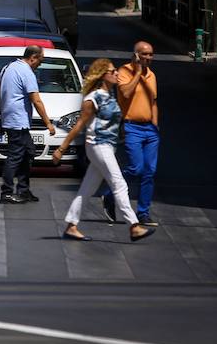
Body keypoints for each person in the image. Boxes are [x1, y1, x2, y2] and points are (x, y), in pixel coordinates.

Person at [53, 59, 155, 242]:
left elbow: (113, 121)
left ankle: (71, 226)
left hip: (108, 146)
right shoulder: (93, 99)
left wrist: (121, 134)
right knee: (119, 183)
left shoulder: (110, 95)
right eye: (112, 71)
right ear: (103, 75)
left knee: (87, 188)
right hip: (98, 145)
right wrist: (61, 148)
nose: (116, 73)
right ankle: (134, 226)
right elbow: (79, 125)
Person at [101, 41, 160, 226]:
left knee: (149, 172)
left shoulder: (152, 75)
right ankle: (110, 195)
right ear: (136, 55)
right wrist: (138, 72)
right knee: (136, 168)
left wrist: (155, 125)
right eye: (144, 54)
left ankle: (143, 213)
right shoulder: (124, 72)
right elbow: (125, 93)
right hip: (131, 126)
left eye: (151, 54)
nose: (148, 58)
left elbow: (153, 101)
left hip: (150, 129)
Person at [0, 45, 56, 204]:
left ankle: (24, 189)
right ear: (33, 58)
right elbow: (36, 100)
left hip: (10, 119)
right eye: (40, 61)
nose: (40, 64)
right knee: (15, 156)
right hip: (18, 121)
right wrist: (48, 123)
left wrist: (4, 108)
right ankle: (7, 192)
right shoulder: (26, 72)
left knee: (28, 152)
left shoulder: (7, 68)